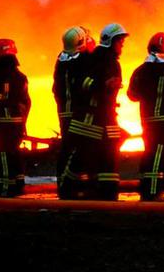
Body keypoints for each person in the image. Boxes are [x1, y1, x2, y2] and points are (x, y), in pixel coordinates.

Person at [67, 23, 128, 200]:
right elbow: (80, 85)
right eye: (120, 41)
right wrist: (103, 85)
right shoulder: (93, 60)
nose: (122, 45)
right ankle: (71, 190)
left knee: (108, 157)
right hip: (90, 120)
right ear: (111, 41)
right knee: (84, 157)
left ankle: (106, 194)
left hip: (105, 118)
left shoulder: (111, 62)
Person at [127, 32, 164, 200]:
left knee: (149, 153)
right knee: (158, 157)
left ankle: (147, 189)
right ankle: (153, 193)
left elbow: (132, 95)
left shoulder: (141, 70)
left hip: (146, 121)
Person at [0, 38, 31, 197]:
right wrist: (22, 122)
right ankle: (17, 185)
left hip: (1, 123)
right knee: (13, 153)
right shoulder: (20, 76)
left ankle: (4, 188)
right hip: (15, 123)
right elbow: (26, 103)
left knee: (2, 153)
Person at [54, 25, 94, 199]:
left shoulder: (61, 60)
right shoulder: (83, 60)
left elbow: (56, 89)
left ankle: (65, 185)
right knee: (81, 149)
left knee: (67, 149)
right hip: (79, 112)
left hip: (64, 112)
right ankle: (72, 186)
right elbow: (87, 85)